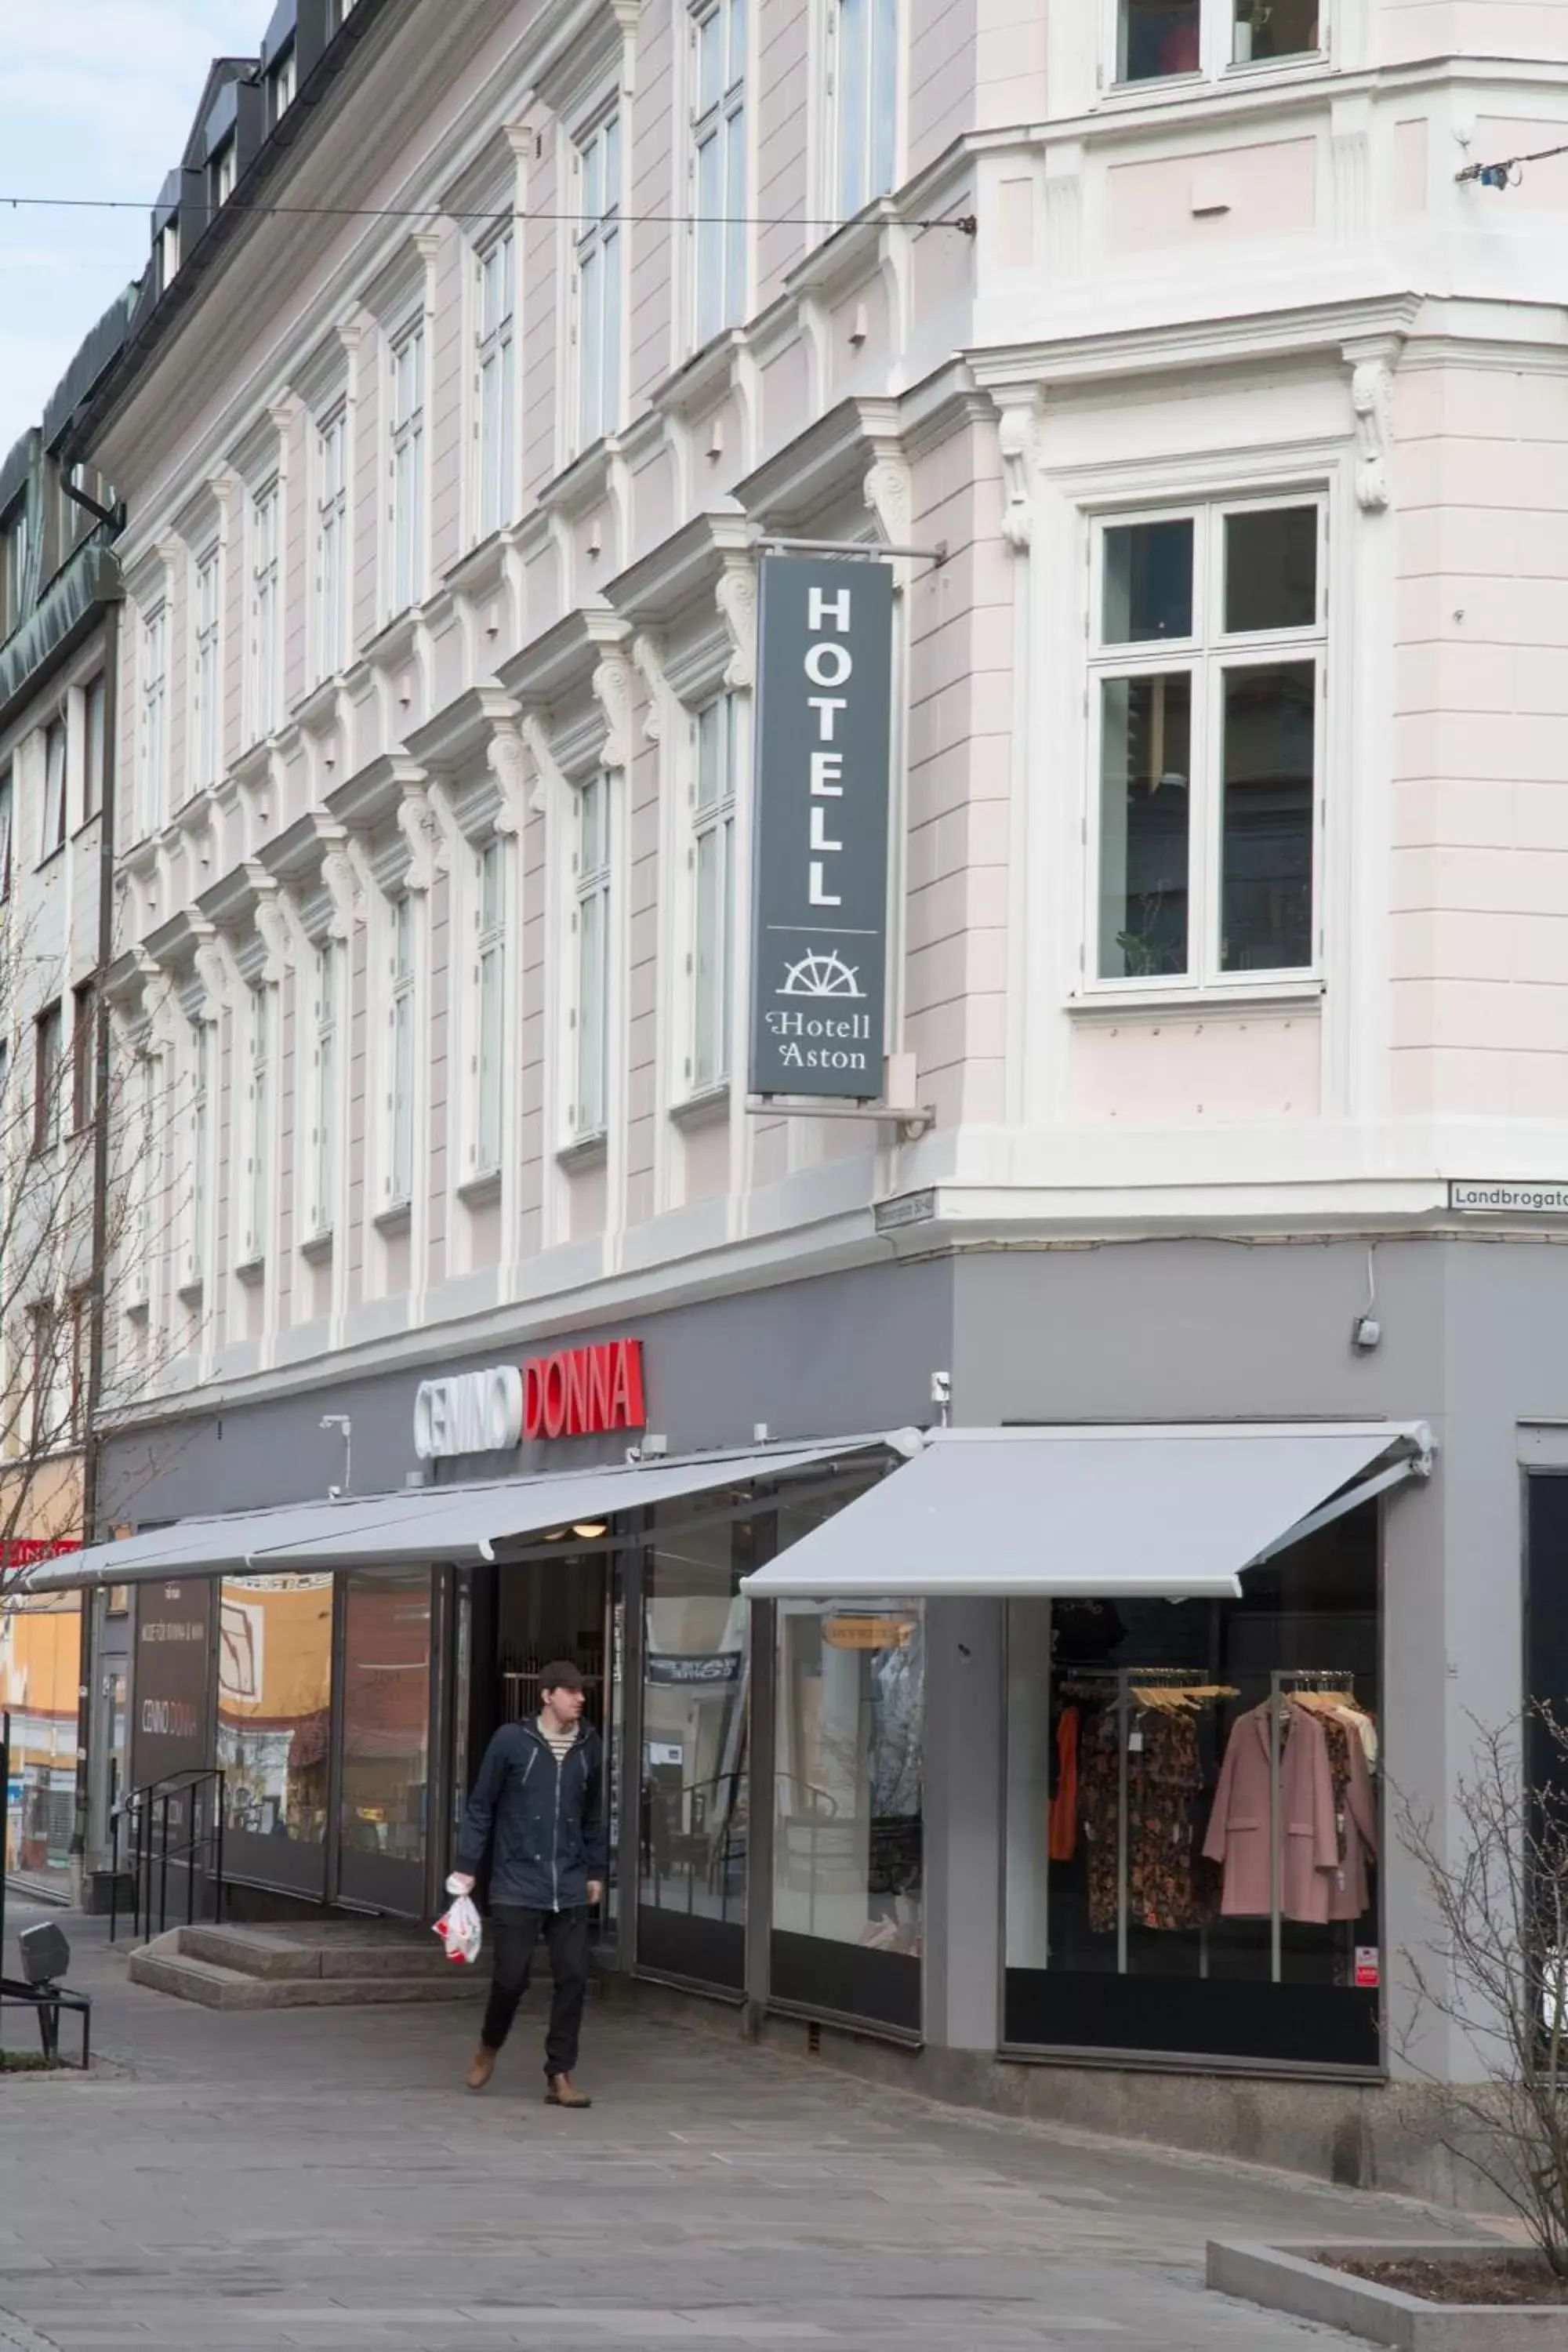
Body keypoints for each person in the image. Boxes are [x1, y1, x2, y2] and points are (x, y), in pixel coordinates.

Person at [451, 1660, 606, 2108]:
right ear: (548, 1695)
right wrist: (467, 1865)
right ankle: (489, 2044)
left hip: (570, 1879)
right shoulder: (511, 1742)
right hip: (518, 1879)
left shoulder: (589, 1745)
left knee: (574, 1976)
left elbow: (593, 1813)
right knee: (511, 1978)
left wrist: (596, 1870)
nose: (580, 1698)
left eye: (582, 1692)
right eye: (571, 1691)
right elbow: (481, 1806)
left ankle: (560, 2074)